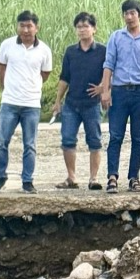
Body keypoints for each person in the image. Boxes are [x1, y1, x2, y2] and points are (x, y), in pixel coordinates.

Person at [100, 0, 140, 193]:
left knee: (138, 138)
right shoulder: (116, 37)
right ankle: (112, 177)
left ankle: (134, 178)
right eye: (126, 13)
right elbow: (108, 65)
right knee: (115, 136)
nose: (129, 17)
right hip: (119, 92)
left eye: (133, 13)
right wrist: (105, 90)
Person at [0, 10, 53, 194]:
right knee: (2, 142)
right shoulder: (7, 45)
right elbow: (1, 68)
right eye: (22, 25)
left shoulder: (44, 50)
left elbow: (45, 74)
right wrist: (6, 89)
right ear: (17, 27)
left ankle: (27, 181)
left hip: (32, 104)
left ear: (37, 27)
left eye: (29, 26)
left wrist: (32, 87)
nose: (26, 29)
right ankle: (0, 176)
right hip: (9, 102)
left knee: (30, 145)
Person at [52, 12, 106, 191]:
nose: (82, 30)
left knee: (95, 141)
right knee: (67, 139)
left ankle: (94, 178)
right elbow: (64, 77)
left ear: (94, 29)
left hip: (92, 104)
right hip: (71, 104)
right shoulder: (70, 51)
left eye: (86, 26)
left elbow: (111, 73)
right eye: (79, 27)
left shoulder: (102, 51)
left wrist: (103, 88)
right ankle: (71, 177)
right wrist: (58, 101)